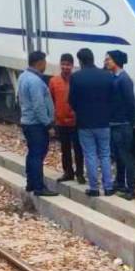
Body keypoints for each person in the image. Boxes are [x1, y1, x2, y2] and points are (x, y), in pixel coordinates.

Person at [69, 48, 114, 197]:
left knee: (90, 155)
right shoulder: (107, 76)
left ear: (80, 61)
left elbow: (72, 100)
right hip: (104, 122)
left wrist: (81, 111)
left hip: (85, 123)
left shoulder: (76, 77)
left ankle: (94, 188)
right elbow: (112, 98)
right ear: (93, 58)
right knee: (105, 154)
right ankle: (108, 187)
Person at [17, 50, 58, 197]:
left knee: (32, 153)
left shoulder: (23, 76)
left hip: (27, 121)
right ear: (40, 63)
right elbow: (38, 105)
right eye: (45, 62)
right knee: (37, 155)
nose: (46, 65)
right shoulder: (35, 81)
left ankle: (31, 183)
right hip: (36, 124)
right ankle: (39, 187)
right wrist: (48, 124)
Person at [105, 50, 135, 200]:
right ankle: (120, 182)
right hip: (116, 123)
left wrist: (131, 120)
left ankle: (132, 188)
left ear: (116, 61)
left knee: (125, 156)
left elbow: (131, 102)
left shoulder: (124, 80)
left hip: (122, 123)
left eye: (109, 60)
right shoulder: (116, 77)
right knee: (119, 155)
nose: (106, 62)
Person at [49, 53, 85, 185]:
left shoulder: (77, 80)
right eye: (63, 64)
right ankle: (68, 172)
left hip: (76, 121)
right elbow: (51, 100)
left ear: (72, 66)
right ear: (60, 65)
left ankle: (80, 173)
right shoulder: (54, 81)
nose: (65, 67)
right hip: (61, 121)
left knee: (78, 149)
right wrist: (53, 119)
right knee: (65, 149)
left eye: (68, 65)